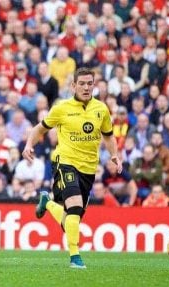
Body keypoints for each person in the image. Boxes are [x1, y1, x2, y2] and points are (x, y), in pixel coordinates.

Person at [23, 67, 122, 269]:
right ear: (73, 86)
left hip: (88, 168)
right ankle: (75, 258)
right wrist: (28, 144)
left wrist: (114, 154)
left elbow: (109, 135)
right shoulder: (61, 108)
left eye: (89, 84)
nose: (86, 88)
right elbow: (40, 128)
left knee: (70, 218)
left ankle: (48, 203)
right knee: (75, 207)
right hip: (64, 161)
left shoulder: (101, 109)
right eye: (82, 84)